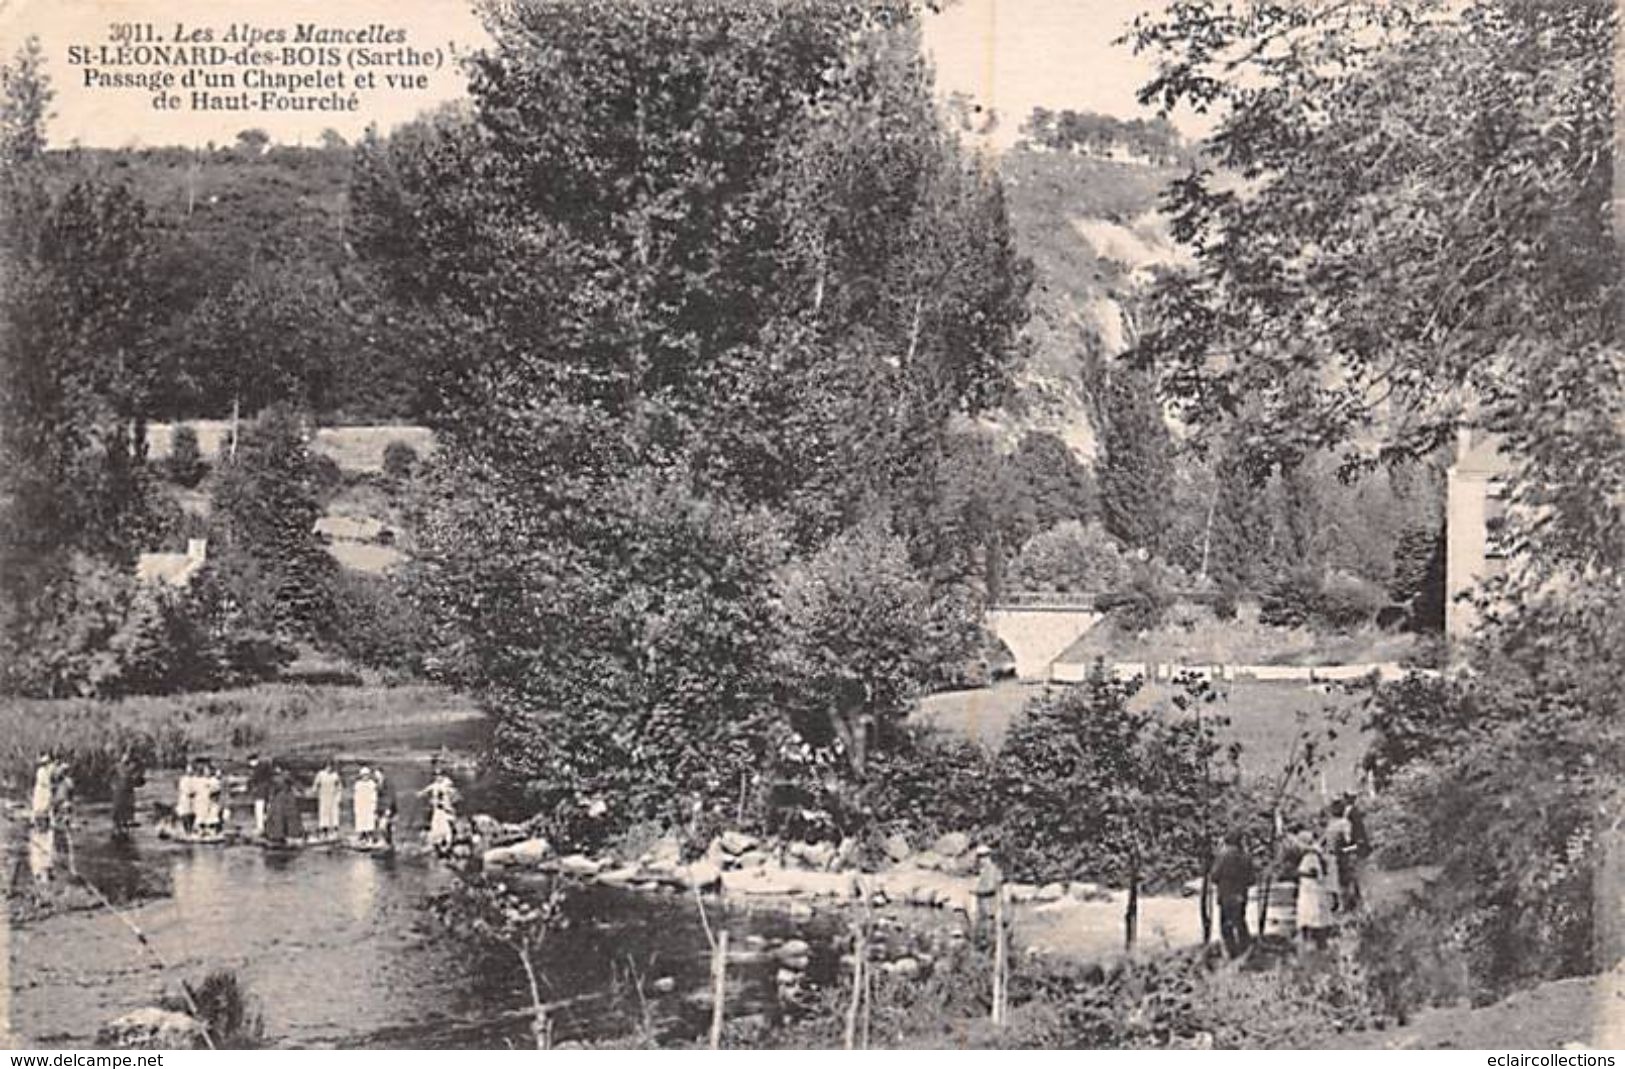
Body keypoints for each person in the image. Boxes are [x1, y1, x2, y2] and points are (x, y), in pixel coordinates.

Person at [1210, 829, 1257, 958]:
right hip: (1241, 895)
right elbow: (1252, 880)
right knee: (1240, 922)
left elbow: (1214, 876)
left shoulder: (1222, 856)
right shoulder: (1246, 856)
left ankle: (1232, 953)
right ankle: (1246, 951)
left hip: (1226, 895)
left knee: (1226, 925)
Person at [1296, 834, 1335, 949]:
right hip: (1309, 890)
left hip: (1311, 891)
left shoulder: (1311, 856)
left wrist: (1299, 873)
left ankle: (1319, 944)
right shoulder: (1310, 855)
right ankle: (1310, 944)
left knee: (1314, 918)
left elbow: (1314, 873)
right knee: (1309, 918)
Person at [1325, 800, 1356, 913]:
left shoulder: (1338, 823)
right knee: (1337, 880)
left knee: (1341, 880)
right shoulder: (1338, 823)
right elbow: (1346, 839)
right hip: (1336, 854)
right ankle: (1340, 904)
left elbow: (1347, 839)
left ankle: (1345, 905)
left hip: (1338, 854)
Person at [263, 765, 305, 845]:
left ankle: (278, 835)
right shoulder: (282, 776)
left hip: (280, 799)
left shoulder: (276, 777)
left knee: (280, 817)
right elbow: (296, 784)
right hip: (284, 799)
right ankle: (286, 835)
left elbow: (271, 791)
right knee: (285, 817)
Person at [419, 769, 458, 851]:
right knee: (436, 825)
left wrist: (445, 802)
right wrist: (422, 793)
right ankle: (437, 842)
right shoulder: (435, 785)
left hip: (446, 811)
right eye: (436, 776)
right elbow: (429, 788)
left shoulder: (447, 785)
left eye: (439, 776)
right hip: (437, 810)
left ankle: (448, 843)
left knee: (447, 827)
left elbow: (454, 796)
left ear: (443, 776)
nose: (437, 777)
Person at [110, 750, 143, 839]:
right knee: (118, 810)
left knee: (127, 811)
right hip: (119, 792)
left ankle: (125, 829)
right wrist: (112, 785)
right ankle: (116, 829)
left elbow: (139, 781)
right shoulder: (117, 767)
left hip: (128, 792)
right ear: (122, 758)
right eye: (125, 757)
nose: (126, 759)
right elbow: (109, 775)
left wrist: (137, 781)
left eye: (127, 757)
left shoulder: (132, 768)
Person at [313, 759, 343, 837]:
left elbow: (339, 786)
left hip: (333, 796)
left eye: (330, 767)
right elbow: (316, 784)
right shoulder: (321, 774)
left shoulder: (335, 775)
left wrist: (338, 797)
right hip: (324, 796)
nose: (329, 769)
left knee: (334, 813)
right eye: (327, 767)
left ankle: (335, 831)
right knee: (324, 813)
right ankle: (324, 831)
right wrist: (315, 791)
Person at [247, 753, 273, 837]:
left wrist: (249, 788)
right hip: (267, 792)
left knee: (259, 810)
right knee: (267, 809)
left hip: (260, 793)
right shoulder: (265, 767)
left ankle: (260, 827)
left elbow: (252, 781)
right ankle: (268, 826)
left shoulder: (257, 770)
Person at [353, 767, 379, 842]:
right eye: (364, 775)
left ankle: (370, 836)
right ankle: (362, 836)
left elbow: (374, 795)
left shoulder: (372, 784)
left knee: (370, 821)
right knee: (361, 821)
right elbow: (356, 796)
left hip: (369, 805)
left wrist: (374, 805)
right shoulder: (358, 784)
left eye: (366, 775)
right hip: (361, 805)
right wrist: (356, 806)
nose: (365, 777)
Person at [374, 768, 397, 847]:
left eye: (377, 774)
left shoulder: (388, 783)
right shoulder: (378, 783)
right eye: (375, 775)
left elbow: (390, 796)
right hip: (380, 808)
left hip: (388, 808)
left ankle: (387, 842)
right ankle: (388, 843)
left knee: (383, 826)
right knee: (383, 826)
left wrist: (388, 808)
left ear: (382, 774)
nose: (376, 776)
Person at [31, 752, 55, 826]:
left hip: (46, 789)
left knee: (49, 804)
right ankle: (33, 820)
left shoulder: (48, 770)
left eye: (47, 762)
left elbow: (52, 768)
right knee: (37, 805)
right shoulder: (40, 771)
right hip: (41, 789)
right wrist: (49, 785)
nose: (47, 764)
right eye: (45, 763)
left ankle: (50, 821)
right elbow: (42, 781)